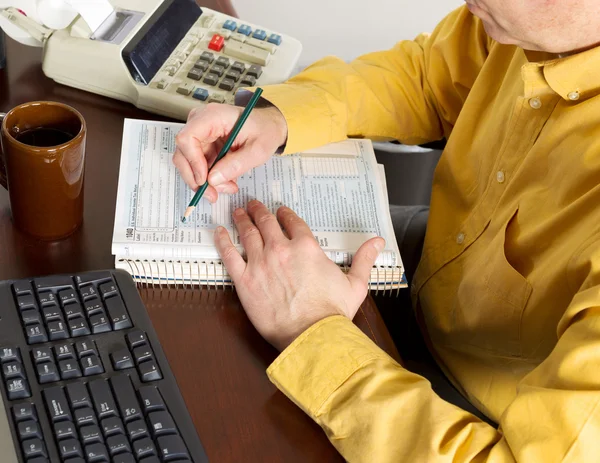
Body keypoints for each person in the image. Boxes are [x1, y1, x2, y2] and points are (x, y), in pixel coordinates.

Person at [174, 1, 600, 461]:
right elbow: (424, 78)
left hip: (472, 411)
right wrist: (279, 118)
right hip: (442, 263)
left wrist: (312, 330)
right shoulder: (520, 23)